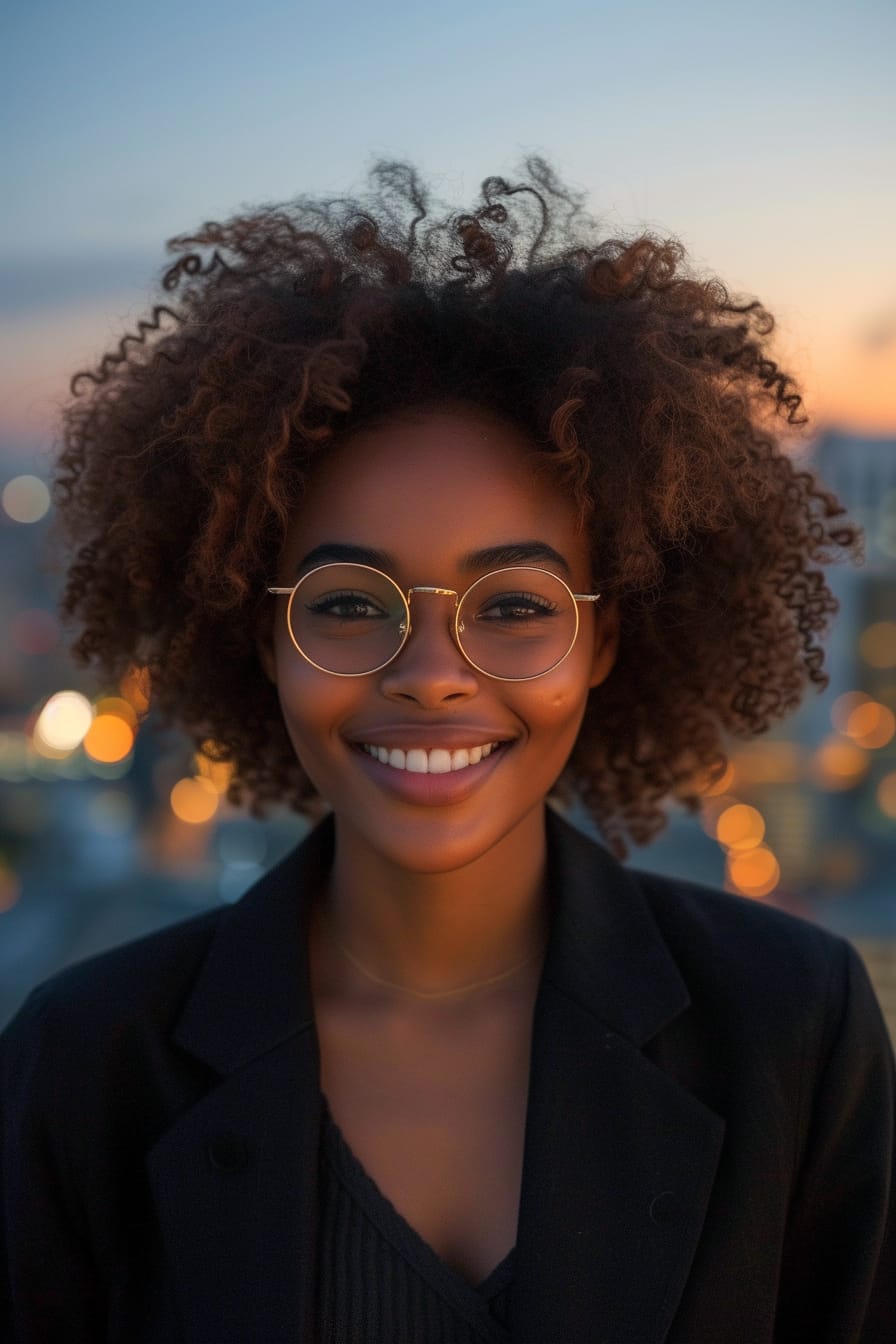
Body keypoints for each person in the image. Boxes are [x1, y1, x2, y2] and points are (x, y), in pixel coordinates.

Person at [1, 160, 893, 1342]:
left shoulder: (792, 1031)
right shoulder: (81, 1065)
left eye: (515, 606)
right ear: (261, 636)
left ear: (602, 639)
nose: (428, 672)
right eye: (350, 604)